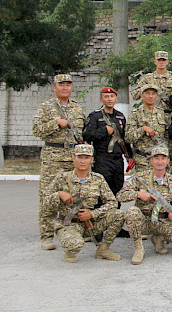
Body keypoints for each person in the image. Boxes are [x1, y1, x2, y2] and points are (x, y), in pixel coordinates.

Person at [44, 144, 125, 263]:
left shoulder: (98, 179)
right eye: (80, 157)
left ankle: (103, 249)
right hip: (69, 224)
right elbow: (45, 202)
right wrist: (59, 195)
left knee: (119, 215)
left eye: (86, 157)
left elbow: (112, 202)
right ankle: (70, 250)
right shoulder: (62, 178)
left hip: (90, 223)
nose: (83, 161)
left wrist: (93, 214)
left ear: (92, 160)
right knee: (75, 245)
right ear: (73, 158)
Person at [32, 74, 86, 251]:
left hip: (73, 157)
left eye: (68, 84)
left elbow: (82, 131)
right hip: (53, 157)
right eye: (61, 84)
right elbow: (36, 130)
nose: (65, 87)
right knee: (48, 194)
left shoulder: (77, 107)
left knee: (75, 194)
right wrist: (56, 123)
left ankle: (72, 230)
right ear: (54, 87)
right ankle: (46, 236)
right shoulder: (47, 107)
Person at [117, 144, 172, 264]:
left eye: (163, 158)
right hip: (144, 220)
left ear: (168, 161)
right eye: (156, 158)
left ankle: (158, 238)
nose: (160, 162)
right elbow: (120, 195)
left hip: (162, 220)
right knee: (132, 212)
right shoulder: (140, 178)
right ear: (151, 161)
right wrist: (138, 194)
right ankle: (139, 249)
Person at [131, 50, 172, 158]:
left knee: (168, 149)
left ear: (167, 62)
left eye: (163, 60)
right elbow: (135, 95)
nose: (161, 62)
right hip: (150, 116)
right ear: (155, 61)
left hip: (168, 116)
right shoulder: (147, 78)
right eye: (159, 60)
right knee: (150, 147)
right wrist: (147, 88)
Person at [83, 87, 127, 199]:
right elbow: (88, 135)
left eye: (112, 96)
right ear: (101, 99)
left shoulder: (120, 116)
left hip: (117, 159)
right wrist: (104, 131)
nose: (109, 99)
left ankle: (115, 209)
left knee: (117, 190)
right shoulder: (95, 116)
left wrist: (130, 156)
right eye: (106, 97)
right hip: (102, 159)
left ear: (116, 98)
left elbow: (124, 139)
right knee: (102, 191)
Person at [126, 84, 169, 172]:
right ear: (142, 95)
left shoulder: (162, 113)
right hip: (143, 161)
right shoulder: (135, 114)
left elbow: (168, 137)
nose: (150, 96)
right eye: (147, 93)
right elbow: (128, 137)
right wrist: (143, 129)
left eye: (153, 93)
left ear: (156, 96)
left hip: (160, 162)